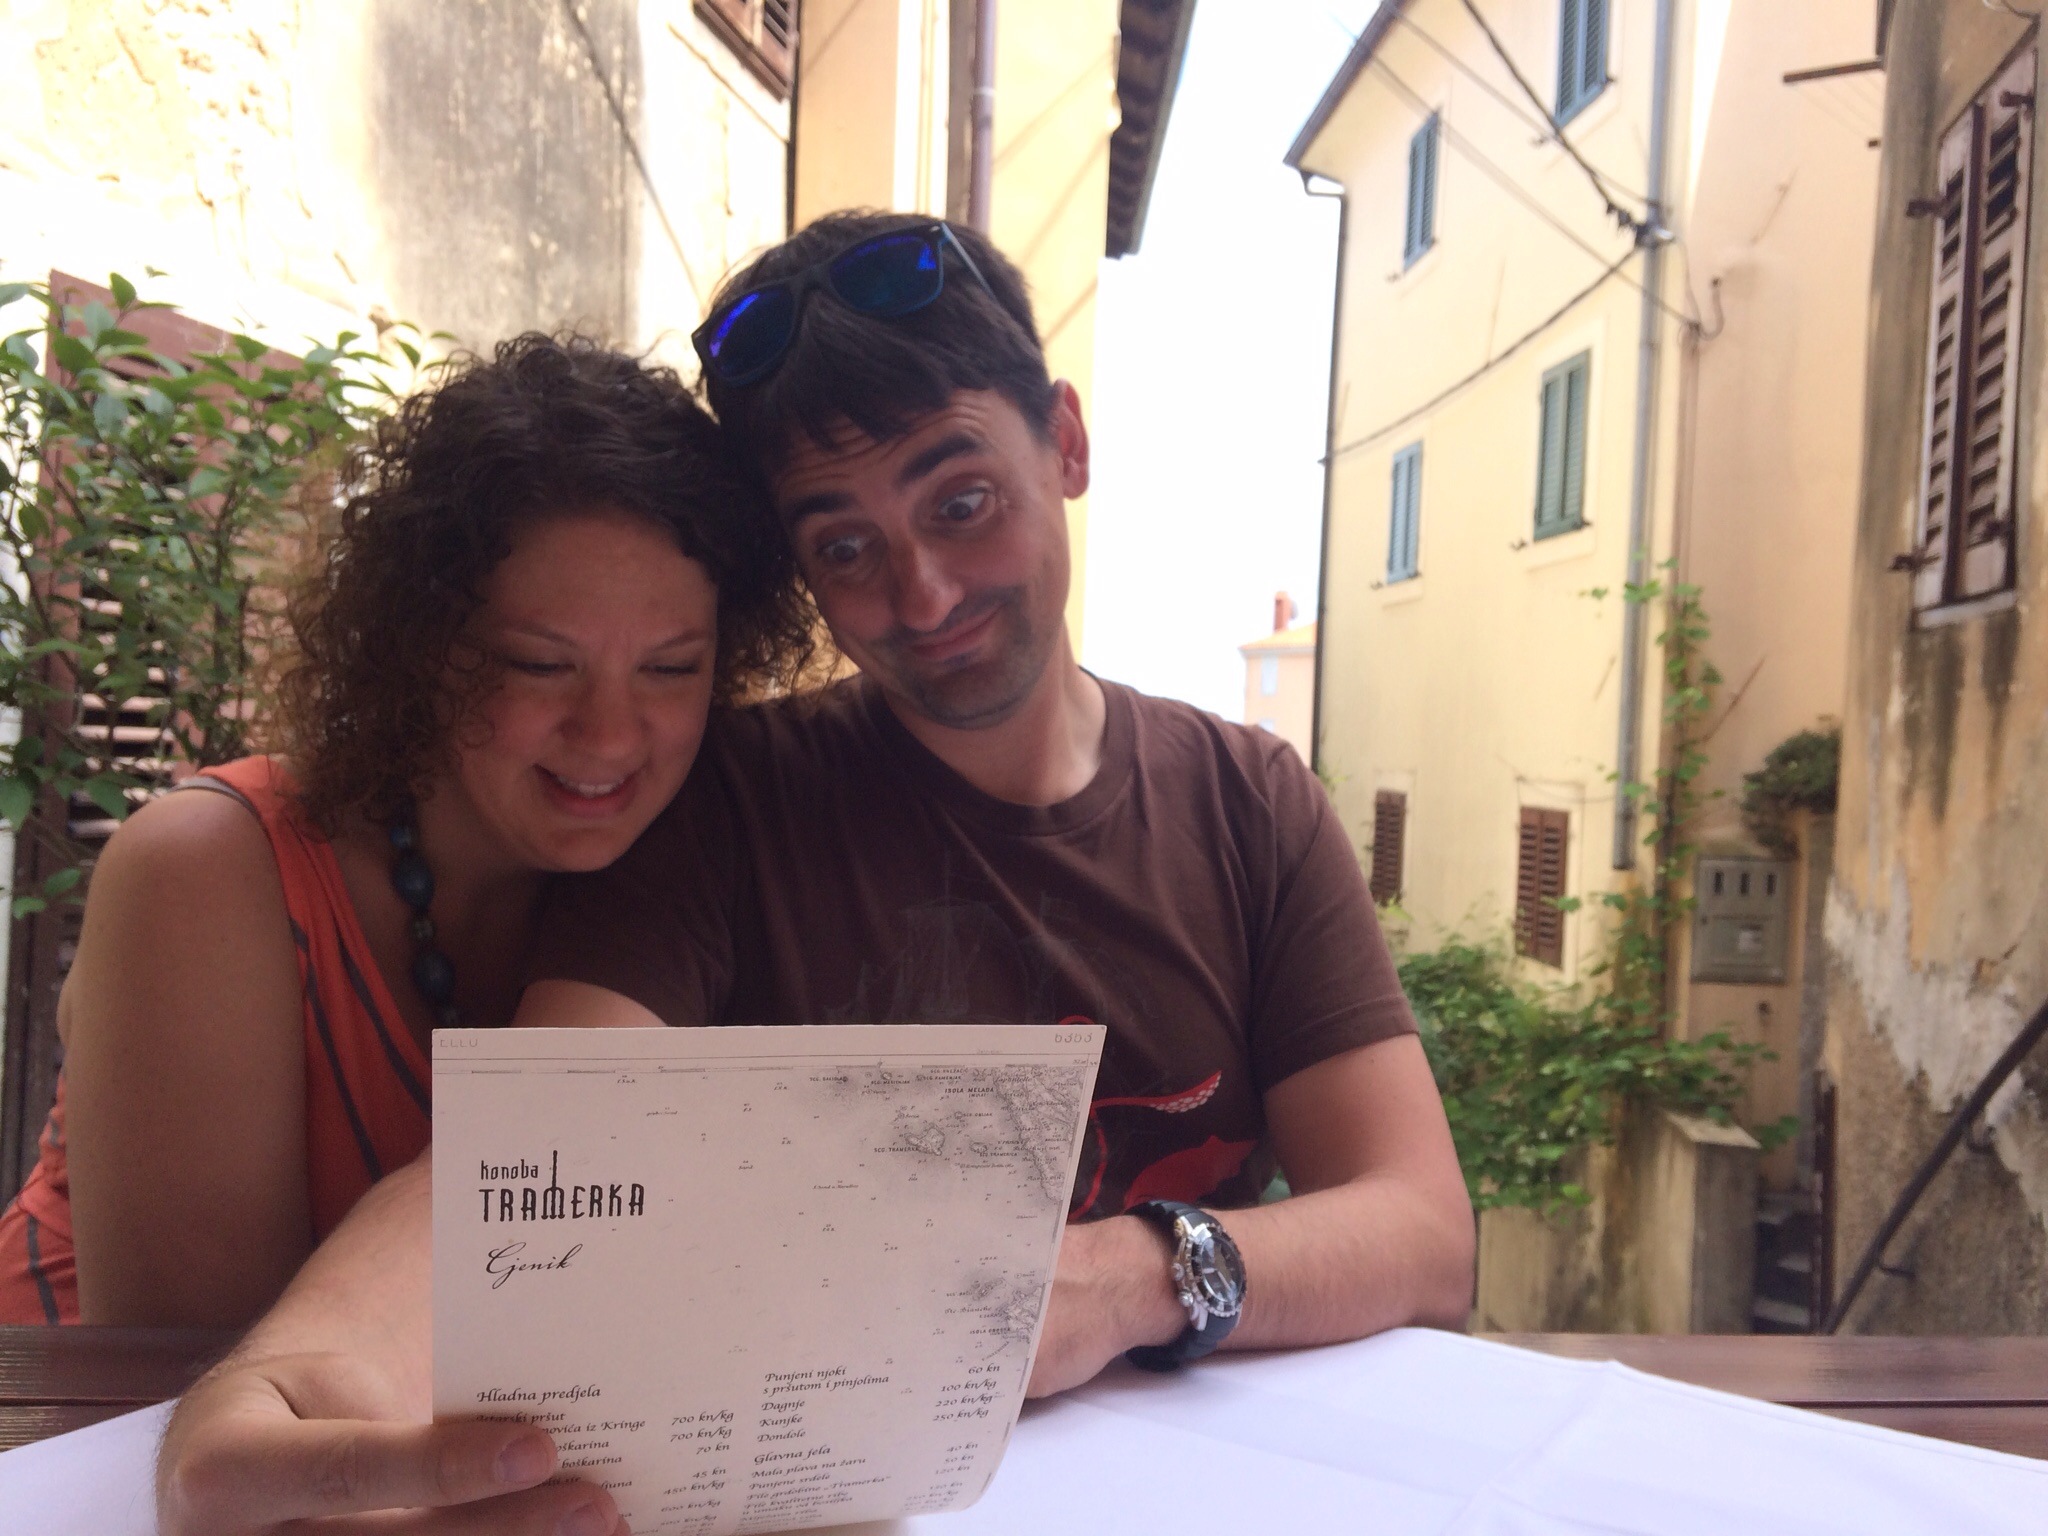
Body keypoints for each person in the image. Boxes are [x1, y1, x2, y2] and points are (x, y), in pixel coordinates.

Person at [152, 215, 1473, 1535]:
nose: (924, 592)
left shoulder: (1252, 804)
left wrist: (1119, 1281)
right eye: (843, 547)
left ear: (1065, 443)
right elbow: (540, 1149)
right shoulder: (726, 801)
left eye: (962, 503)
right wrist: (308, 1373)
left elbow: (1422, 1229)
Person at [0, 332, 812, 1335]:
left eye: (671, 668)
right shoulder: (210, 872)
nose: (609, 734)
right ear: (418, 645)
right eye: (540, 664)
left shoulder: (679, 885)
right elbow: (202, 1376)